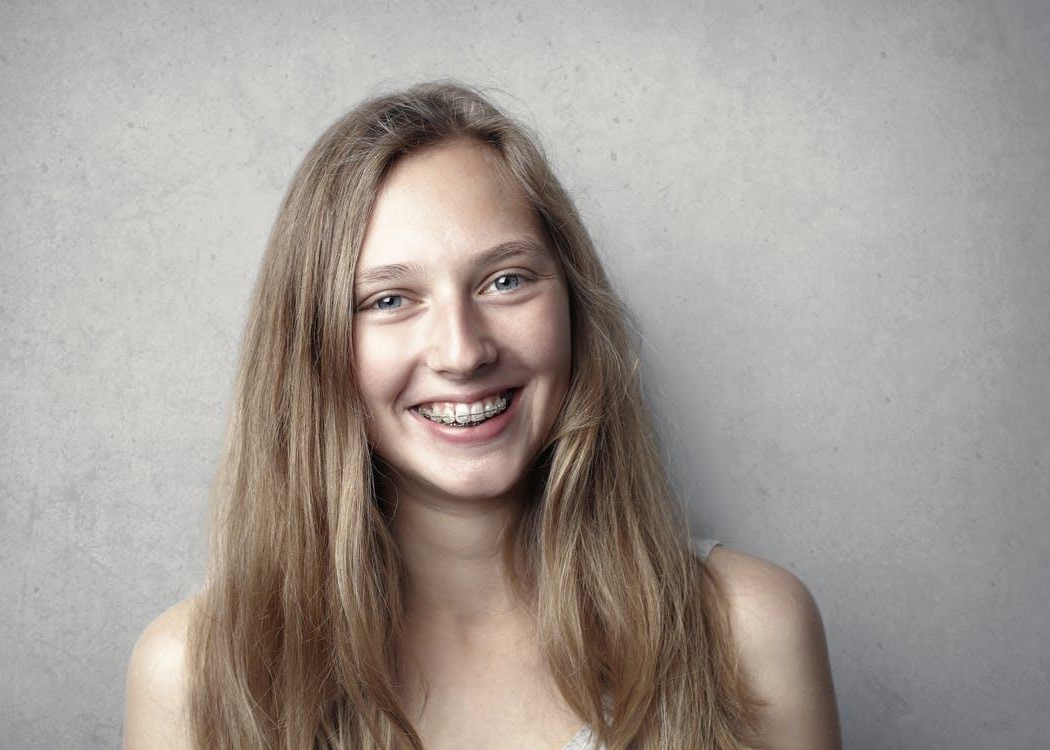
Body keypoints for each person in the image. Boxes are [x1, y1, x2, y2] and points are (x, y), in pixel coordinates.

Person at [123, 81, 841, 749]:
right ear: (310, 346)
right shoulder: (193, 676)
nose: (462, 353)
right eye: (389, 299)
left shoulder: (749, 629)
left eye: (505, 280)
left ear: (573, 308)